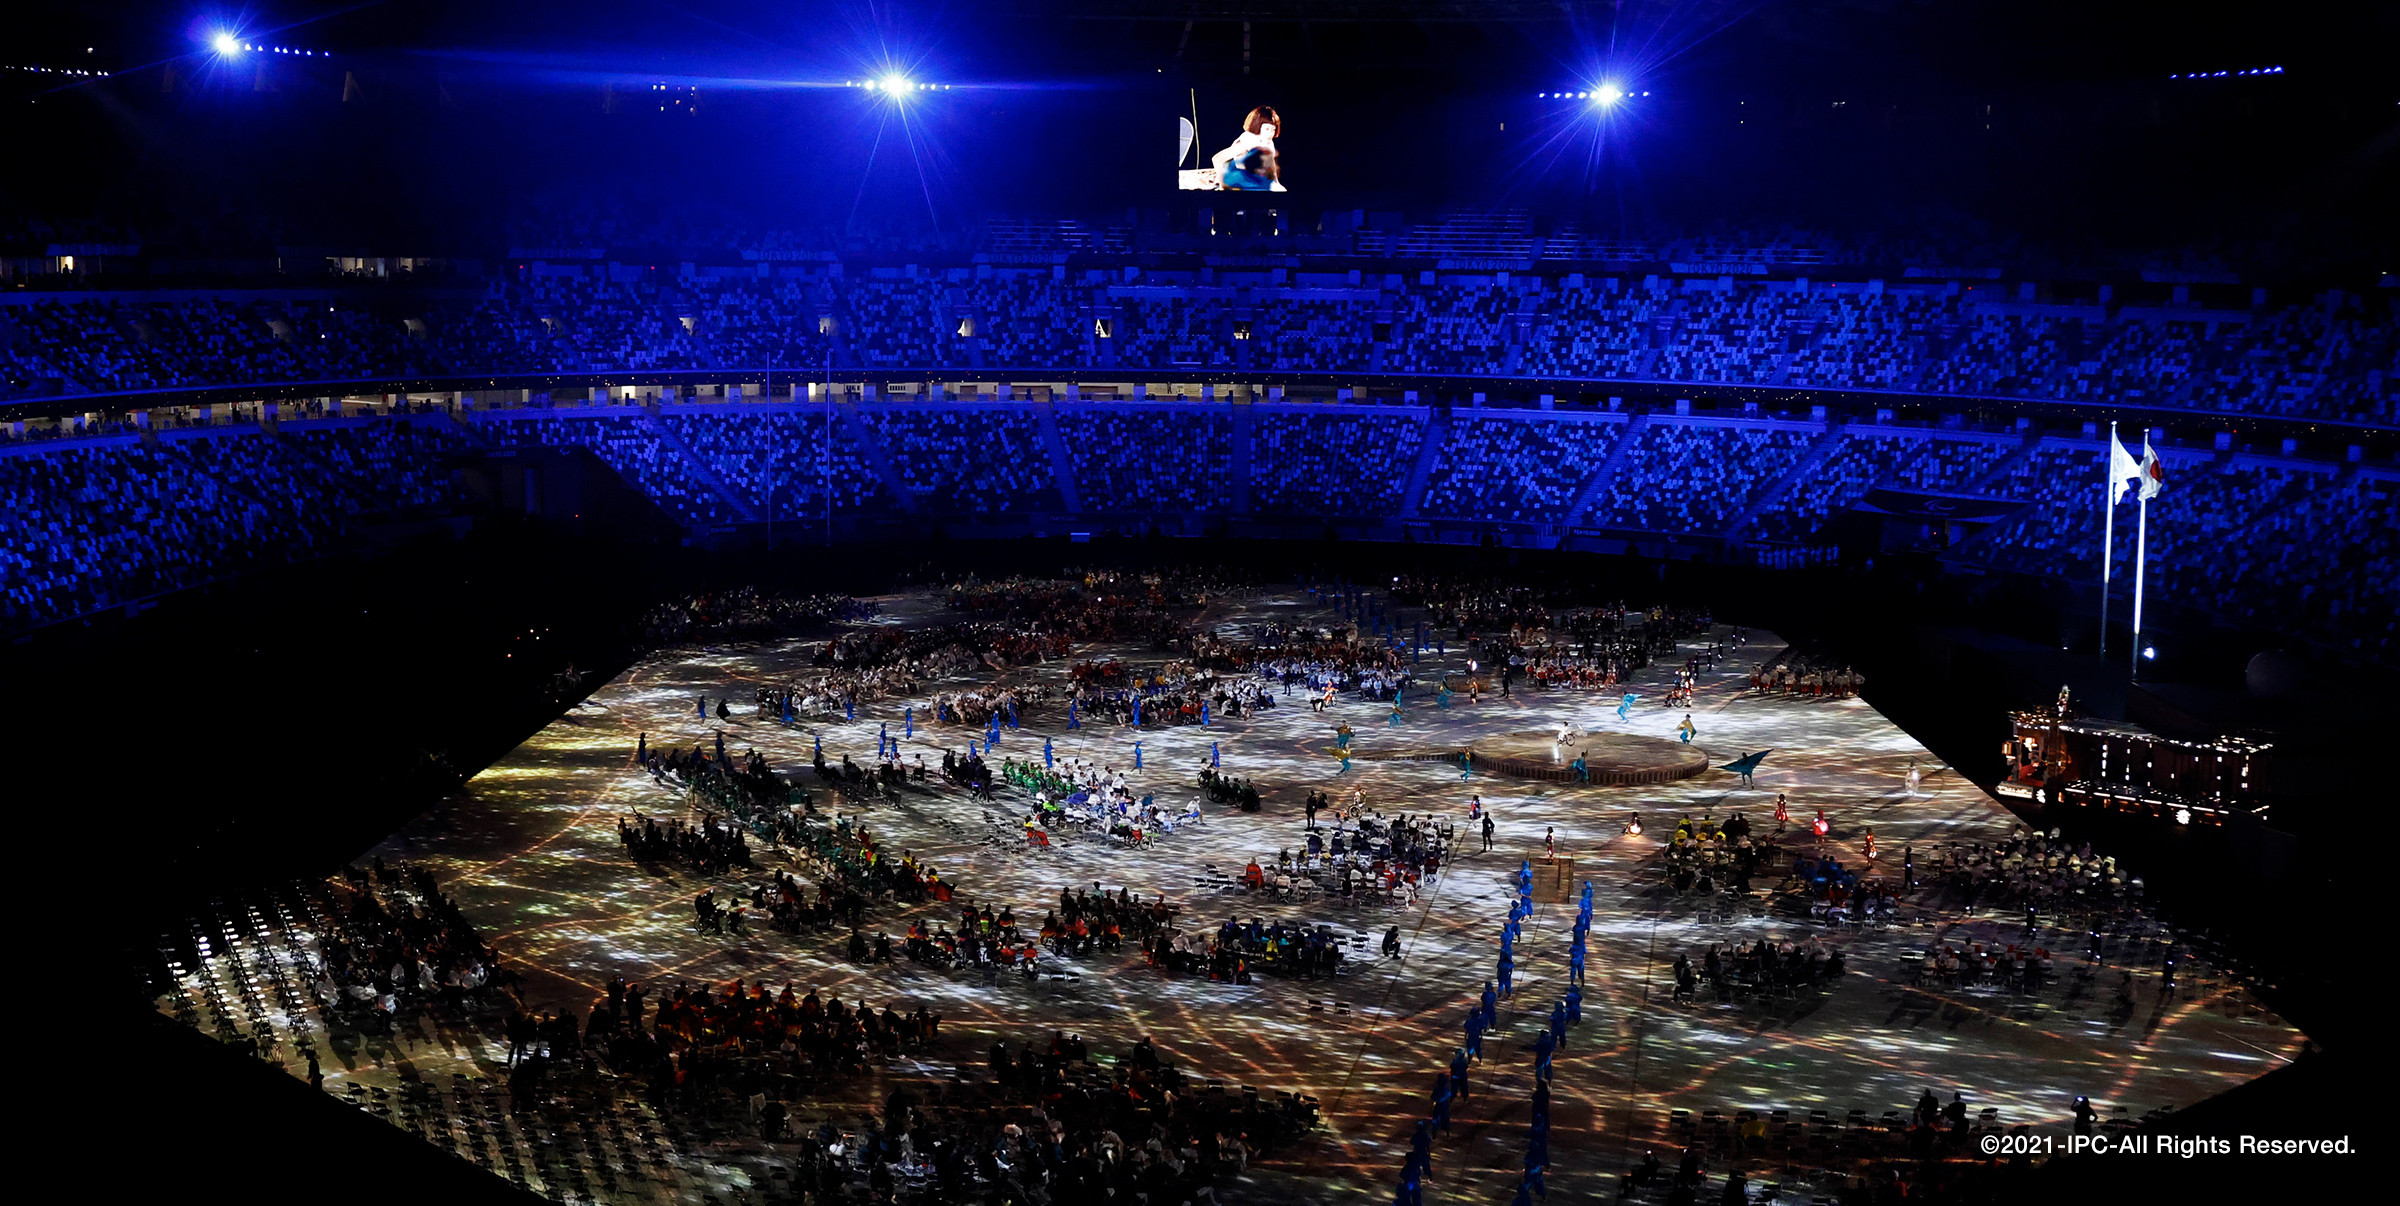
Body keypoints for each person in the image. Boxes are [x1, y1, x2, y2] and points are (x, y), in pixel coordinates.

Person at [1211, 105, 1286, 191]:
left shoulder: (1267, 141)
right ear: (1257, 126)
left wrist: (1276, 182)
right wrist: (1223, 187)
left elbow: (1270, 162)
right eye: (1267, 129)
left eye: (1273, 129)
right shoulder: (1246, 141)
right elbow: (1217, 159)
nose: (1270, 134)